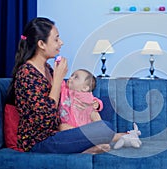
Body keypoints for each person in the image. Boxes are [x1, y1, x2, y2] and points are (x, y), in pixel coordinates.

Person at [6, 17, 124, 154]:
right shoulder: (26, 74)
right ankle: (100, 142)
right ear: (41, 44)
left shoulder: (47, 69)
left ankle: (92, 144)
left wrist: (83, 104)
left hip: (60, 130)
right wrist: (57, 79)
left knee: (106, 102)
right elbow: (45, 120)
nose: (61, 43)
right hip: (41, 140)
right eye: (56, 39)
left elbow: (65, 101)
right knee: (104, 128)